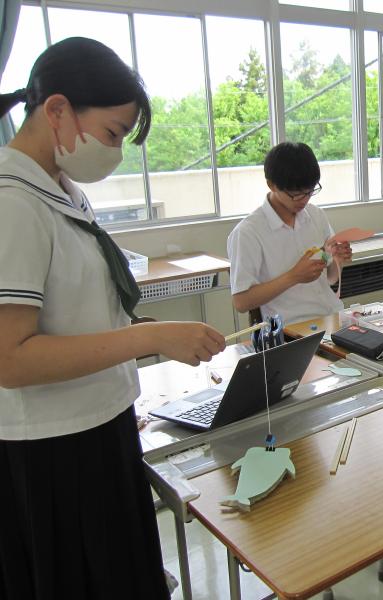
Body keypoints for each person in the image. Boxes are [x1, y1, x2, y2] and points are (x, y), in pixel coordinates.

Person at [0, 37, 226, 599]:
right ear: (57, 110)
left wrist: (147, 340)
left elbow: (80, 320)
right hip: (53, 450)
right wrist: (149, 338)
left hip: (101, 426)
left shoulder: (61, 190)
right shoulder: (13, 202)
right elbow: (11, 359)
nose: (117, 152)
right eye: (112, 133)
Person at [227, 142, 351, 327]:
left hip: (332, 317)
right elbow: (241, 302)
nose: (304, 199)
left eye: (309, 191)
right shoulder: (248, 233)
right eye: (295, 194)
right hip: (291, 329)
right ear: (272, 185)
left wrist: (338, 261)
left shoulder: (316, 216)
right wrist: (293, 276)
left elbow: (330, 279)